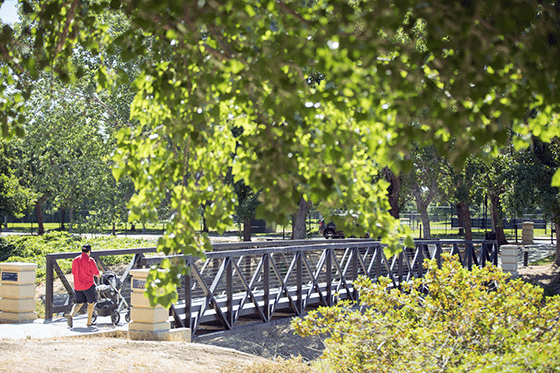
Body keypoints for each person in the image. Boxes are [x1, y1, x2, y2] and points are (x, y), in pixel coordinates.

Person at [65, 244, 100, 328]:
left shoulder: (75, 260)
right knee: (90, 304)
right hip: (88, 285)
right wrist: (99, 275)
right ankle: (89, 321)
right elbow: (96, 272)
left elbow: (73, 272)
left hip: (77, 286)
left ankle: (71, 314)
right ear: (89, 251)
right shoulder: (90, 260)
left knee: (79, 303)